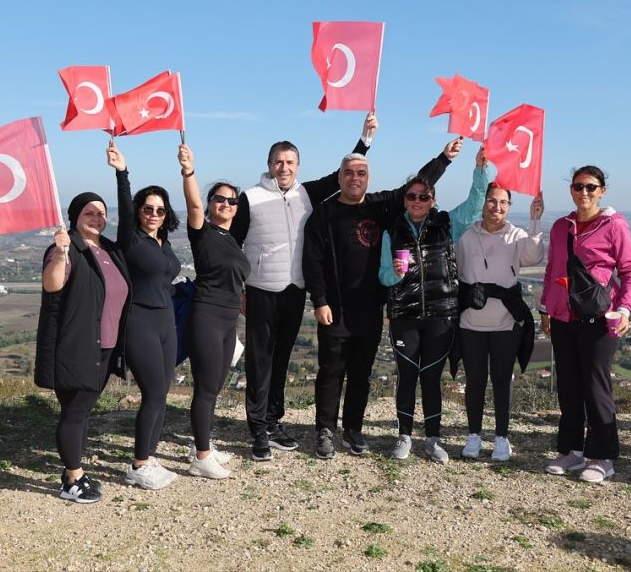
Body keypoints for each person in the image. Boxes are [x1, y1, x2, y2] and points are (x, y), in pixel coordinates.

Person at [303, 138, 463, 459]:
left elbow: (416, 186)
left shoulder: (378, 206)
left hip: (371, 308)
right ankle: (325, 430)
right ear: (339, 177)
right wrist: (319, 300)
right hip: (335, 307)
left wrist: (444, 158)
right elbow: (312, 260)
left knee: (361, 373)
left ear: (368, 178)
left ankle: (353, 429)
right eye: (349, 173)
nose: (355, 178)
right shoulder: (324, 213)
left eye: (361, 173)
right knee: (331, 371)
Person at [230, 113, 378, 461]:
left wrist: (365, 140)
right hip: (261, 290)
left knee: (281, 360)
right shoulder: (250, 197)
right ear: (269, 165)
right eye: (278, 162)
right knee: (259, 362)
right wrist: (240, 290)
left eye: (290, 162)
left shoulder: (307, 193)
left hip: (294, 290)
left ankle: (273, 421)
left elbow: (344, 174)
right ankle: (258, 430)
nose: (284, 167)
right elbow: (233, 245)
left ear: (298, 166)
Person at [378, 147, 490, 463]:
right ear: (404, 200)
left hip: (441, 316)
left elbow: (474, 205)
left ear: (433, 200)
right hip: (404, 316)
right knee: (407, 376)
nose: (417, 201)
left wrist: (480, 171)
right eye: (412, 196)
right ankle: (404, 436)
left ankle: (433, 439)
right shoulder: (392, 231)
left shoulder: (446, 224)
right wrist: (395, 273)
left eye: (423, 197)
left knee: (430, 378)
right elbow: (383, 276)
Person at [540, 166, 631, 483]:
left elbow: (630, 271)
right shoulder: (560, 227)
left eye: (591, 187)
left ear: (602, 191)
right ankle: (572, 450)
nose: (584, 192)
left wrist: (624, 309)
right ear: (571, 189)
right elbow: (552, 269)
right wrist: (545, 307)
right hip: (563, 317)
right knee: (569, 386)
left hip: (600, 318)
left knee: (596, 387)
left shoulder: (614, 225)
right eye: (578, 186)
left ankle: (602, 457)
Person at [35, 193, 131, 503]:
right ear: (75, 217)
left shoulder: (109, 250)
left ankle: (74, 471)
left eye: (101, 213)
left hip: (106, 346)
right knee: (75, 412)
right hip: (78, 346)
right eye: (89, 213)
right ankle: (72, 480)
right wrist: (60, 254)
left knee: (82, 410)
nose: (96, 218)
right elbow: (52, 284)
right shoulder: (67, 249)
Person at [106, 143, 180, 490]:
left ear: (166, 215)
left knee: (162, 393)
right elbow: (123, 209)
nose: (153, 214)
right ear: (138, 211)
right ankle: (138, 464)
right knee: (152, 393)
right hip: (140, 322)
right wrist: (123, 172)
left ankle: (149, 456)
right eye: (147, 208)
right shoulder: (131, 240)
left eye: (159, 210)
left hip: (167, 322)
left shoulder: (164, 243)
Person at [455, 182, 545, 462]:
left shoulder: (516, 235)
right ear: (483, 203)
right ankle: (473, 435)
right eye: (492, 201)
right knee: (475, 381)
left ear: (509, 206)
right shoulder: (465, 234)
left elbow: (534, 256)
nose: (497, 207)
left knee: (502, 380)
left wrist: (535, 220)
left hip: (506, 324)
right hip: (470, 322)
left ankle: (501, 438)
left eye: (503, 202)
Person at [179, 143, 250, 479]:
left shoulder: (232, 239)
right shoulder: (203, 233)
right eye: (219, 199)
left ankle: (203, 443)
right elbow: (193, 204)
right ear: (209, 204)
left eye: (231, 201)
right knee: (205, 389)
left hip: (228, 321)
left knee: (215, 387)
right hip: (206, 317)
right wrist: (189, 171)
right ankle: (201, 457)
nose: (225, 204)